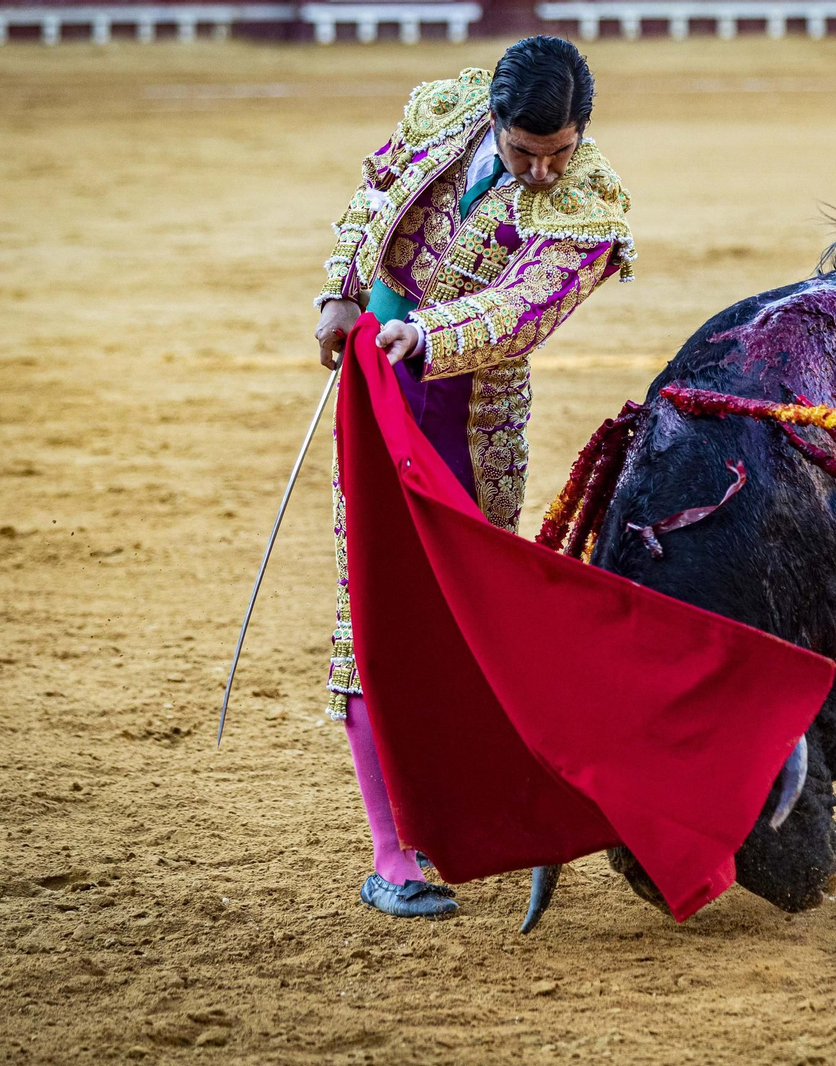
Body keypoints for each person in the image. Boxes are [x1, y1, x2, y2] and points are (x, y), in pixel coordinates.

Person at [311, 36, 634, 919]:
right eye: (526, 153)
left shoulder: (591, 204)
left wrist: (427, 334)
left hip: (472, 414)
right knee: (371, 599)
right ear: (493, 120)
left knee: (471, 612)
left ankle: (509, 806)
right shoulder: (443, 112)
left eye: (559, 153)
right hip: (379, 390)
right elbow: (376, 192)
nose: (543, 171)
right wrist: (342, 291)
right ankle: (393, 854)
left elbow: (523, 309)